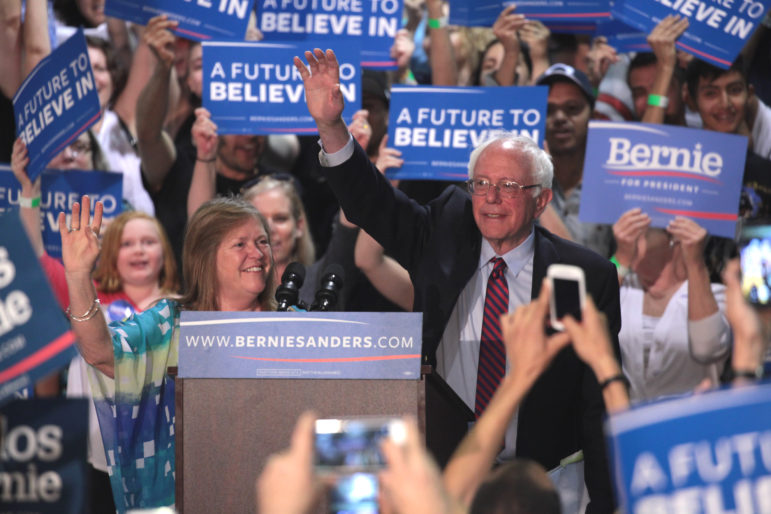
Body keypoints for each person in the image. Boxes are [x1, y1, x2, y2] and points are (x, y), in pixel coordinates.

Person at [294, 48, 621, 512]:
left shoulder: (585, 276)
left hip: (541, 480)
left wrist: (606, 505)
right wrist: (331, 127)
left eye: (510, 187)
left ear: (542, 199)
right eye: (481, 184)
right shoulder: (444, 229)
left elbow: (597, 405)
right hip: (444, 474)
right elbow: (371, 204)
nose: (490, 198)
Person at [58, 194, 274, 511]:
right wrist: (78, 275)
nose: (257, 253)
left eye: (262, 241)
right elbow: (102, 353)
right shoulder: (172, 325)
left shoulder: (292, 324)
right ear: (207, 256)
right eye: (240, 244)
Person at [612, 209, 731, 402]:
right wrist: (621, 257)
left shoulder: (714, 294)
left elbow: (708, 349)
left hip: (690, 425)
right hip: (629, 425)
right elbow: (587, 313)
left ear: (673, 237)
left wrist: (695, 262)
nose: (628, 237)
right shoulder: (623, 287)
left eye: (640, 231)